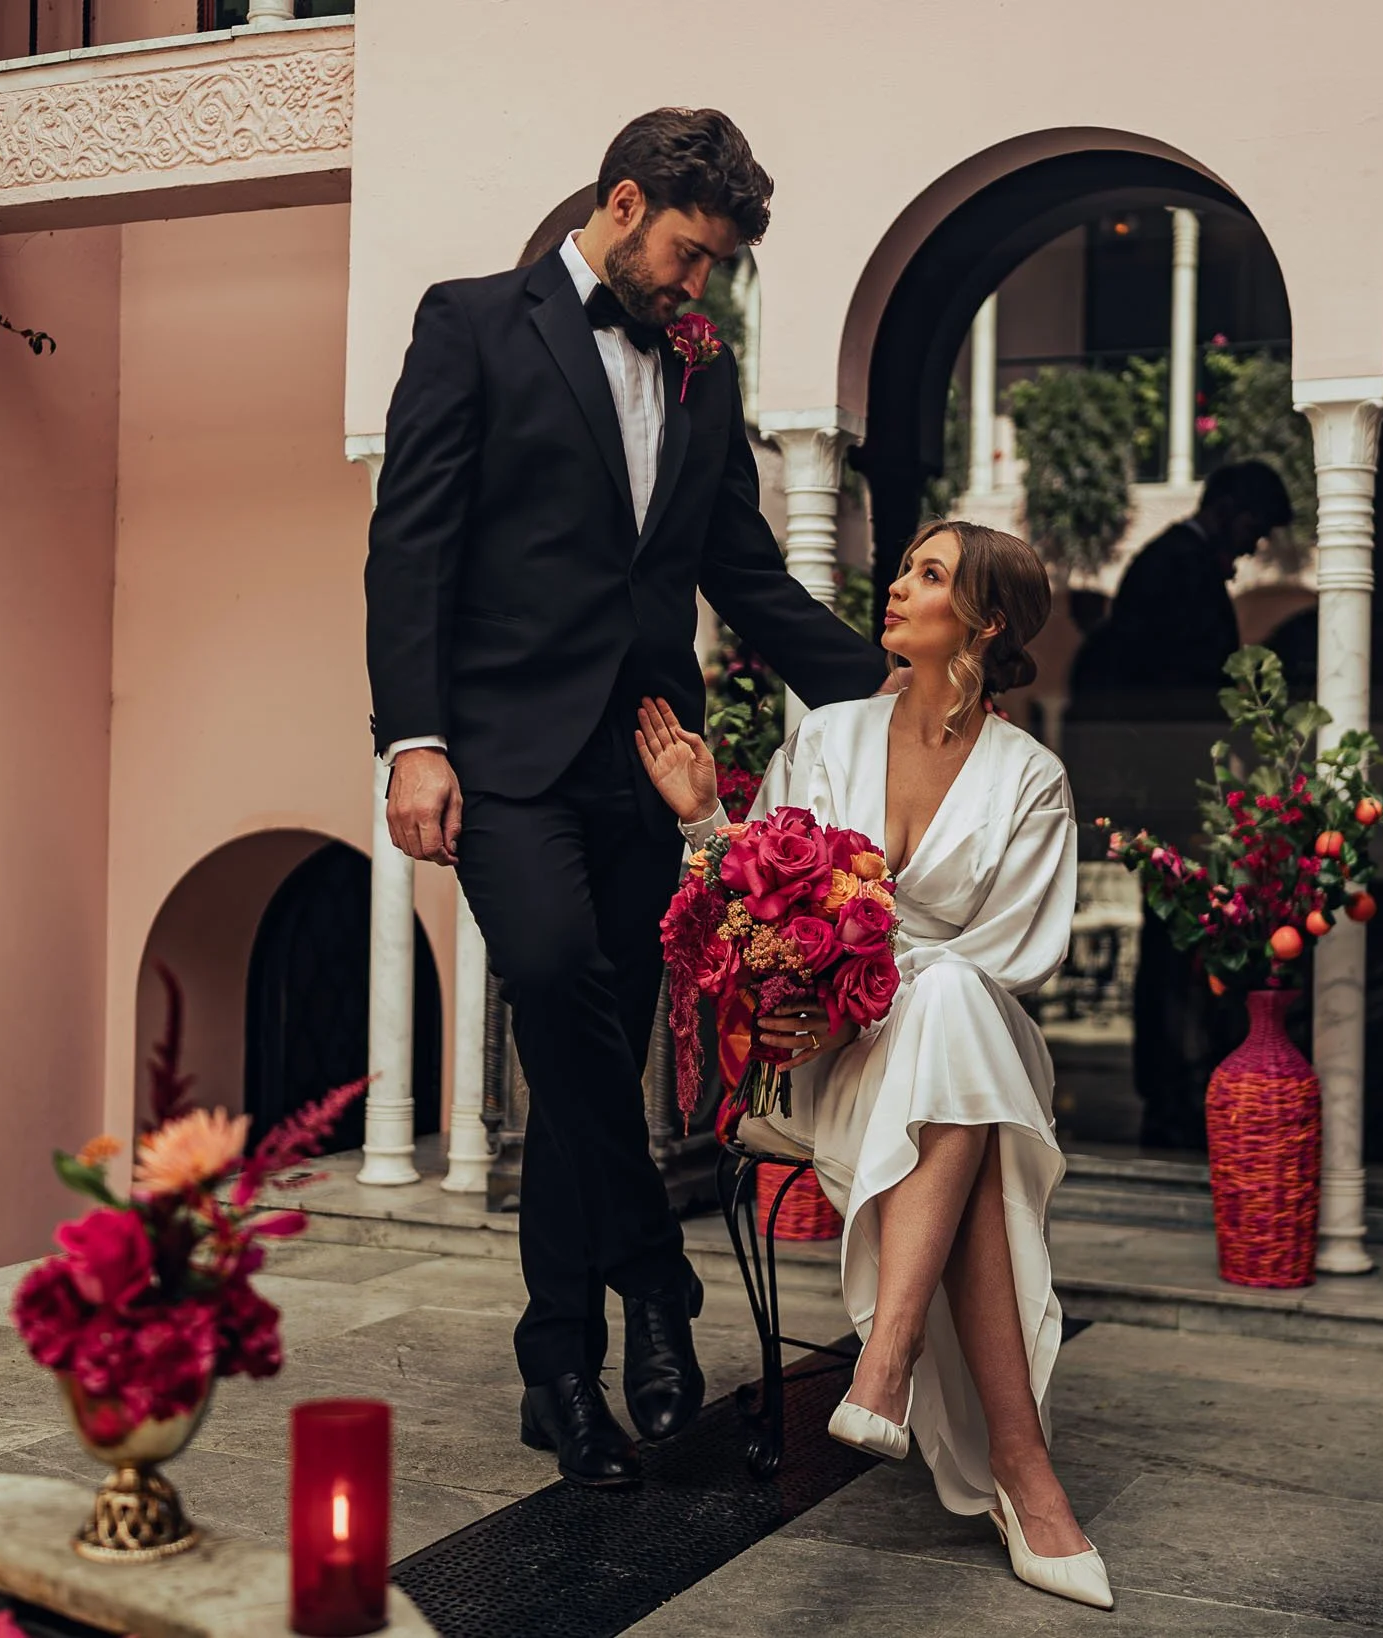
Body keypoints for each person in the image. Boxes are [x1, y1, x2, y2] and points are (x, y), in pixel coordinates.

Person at [365, 109, 883, 1490]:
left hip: (650, 764)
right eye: (689, 254)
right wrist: (414, 737)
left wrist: (887, 683)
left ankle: (561, 1368)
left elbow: (744, 572)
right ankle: (659, 1280)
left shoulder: (703, 377)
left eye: (716, 269)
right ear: (625, 198)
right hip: (504, 757)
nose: (697, 288)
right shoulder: (472, 323)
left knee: (596, 1062)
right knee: (556, 986)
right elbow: (409, 542)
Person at [636, 521, 1112, 1611]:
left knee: (948, 999)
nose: (895, 587)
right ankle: (1017, 1468)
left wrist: (860, 995)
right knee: (958, 1083)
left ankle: (886, 1366)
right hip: (827, 1067)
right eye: (903, 567)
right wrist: (707, 816)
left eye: (928, 575)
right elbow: (745, 909)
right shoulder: (828, 736)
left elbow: (1009, 961)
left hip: (955, 1048)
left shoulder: (1031, 780)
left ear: (983, 623)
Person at [1067, 460, 1293, 1151]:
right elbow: (1177, 692)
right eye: (1254, 528)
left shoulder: (1171, 564)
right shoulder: (1174, 568)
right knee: (1174, 939)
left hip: (1176, 786)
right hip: (1170, 788)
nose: (1253, 549)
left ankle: (1177, 1086)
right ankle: (1170, 1094)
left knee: (1180, 937)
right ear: (1227, 507)